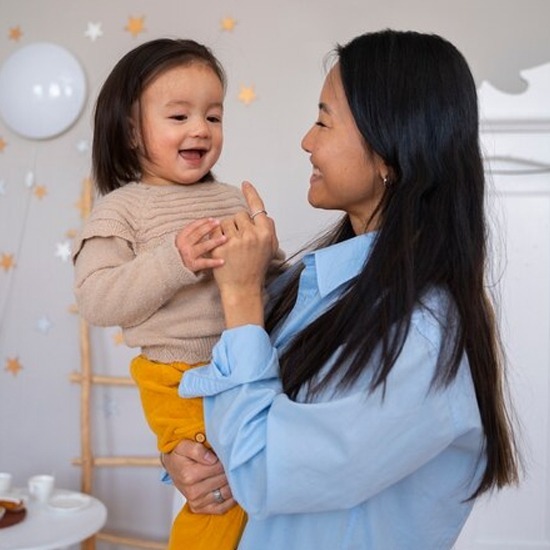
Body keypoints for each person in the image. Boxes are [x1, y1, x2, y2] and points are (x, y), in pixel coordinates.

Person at [163, 29, 520, 549]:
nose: (307, 141)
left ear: (389, 153)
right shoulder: (311, 284)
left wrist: (239, 298)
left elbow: (262, 471)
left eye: (324, 121)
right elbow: (237, 428)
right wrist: (186, 458)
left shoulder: (422, 336)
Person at [72, 38, 251, 550]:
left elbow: (271, 282)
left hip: (244, 367)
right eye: (179, 116)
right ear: (132, 131)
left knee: (254, 482)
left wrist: (268, 258)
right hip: (178, 377)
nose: (201, 129)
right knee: (217, 493)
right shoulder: (122, 210)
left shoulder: (232, 199)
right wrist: (174, 261)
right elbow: (96, 299)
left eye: (213, 116)